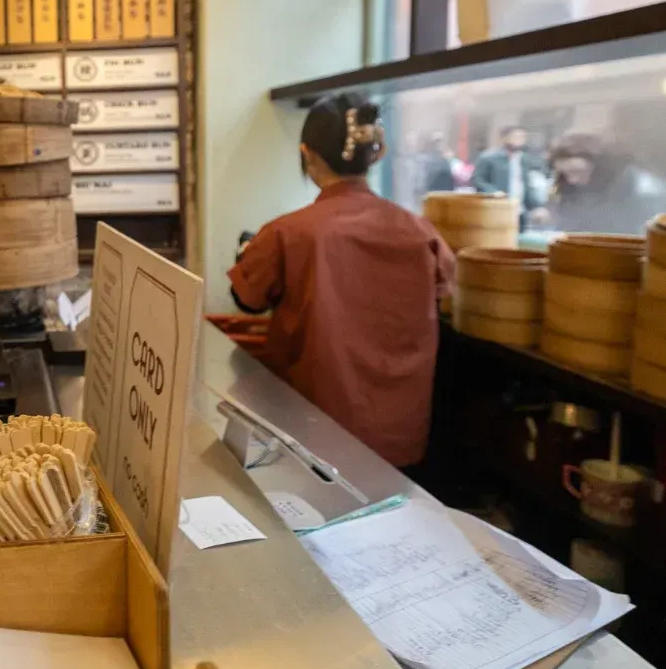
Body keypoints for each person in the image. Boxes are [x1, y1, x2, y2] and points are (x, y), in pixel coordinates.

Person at [228, 93, 455, 468]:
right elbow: (445, 291)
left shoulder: (289, 232)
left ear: (307, 153)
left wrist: (245, 253)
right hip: (403, 441)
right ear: (376, 154)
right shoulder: (420, 231)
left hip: (315, 436)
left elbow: (247, 298)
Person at [546, 132, 666, 234]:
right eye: (565, 174)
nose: (572, 180)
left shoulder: (644, 188)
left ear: (599, 165)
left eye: (578, 171)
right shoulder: (573, 188)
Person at [472, 125, 545, 221]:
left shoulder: (524, 159)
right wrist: (493, 192)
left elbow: (526, 184)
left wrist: (536, 206)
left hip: (520, 209)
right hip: (497, 207)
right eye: (515, 137)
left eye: (522, 137)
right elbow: (478, 180)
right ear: (504, 138)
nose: (519, 140)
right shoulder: (488, 157)